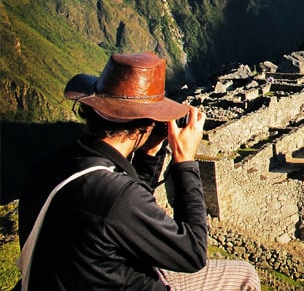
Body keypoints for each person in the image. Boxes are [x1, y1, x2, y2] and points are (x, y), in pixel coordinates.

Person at [17, 52, 260, 290]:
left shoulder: (50, 166)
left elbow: (123, 211)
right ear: (145, 125)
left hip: (87, 275)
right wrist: (185, 161)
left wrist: (149, 153)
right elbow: (193, 254)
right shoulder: (117, 195)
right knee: (245, 275)